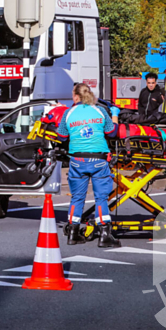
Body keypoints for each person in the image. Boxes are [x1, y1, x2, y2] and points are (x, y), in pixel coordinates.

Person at [58, 82, 120, 248]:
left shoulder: (68, 113)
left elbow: (61, 136)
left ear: (76, 97)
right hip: (99, 160)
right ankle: (105, 236)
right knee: (101, 198)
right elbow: (112, 132)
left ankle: (73, 233)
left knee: (77, 197)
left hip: (77, 161)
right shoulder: (99, 111)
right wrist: (115, 115)